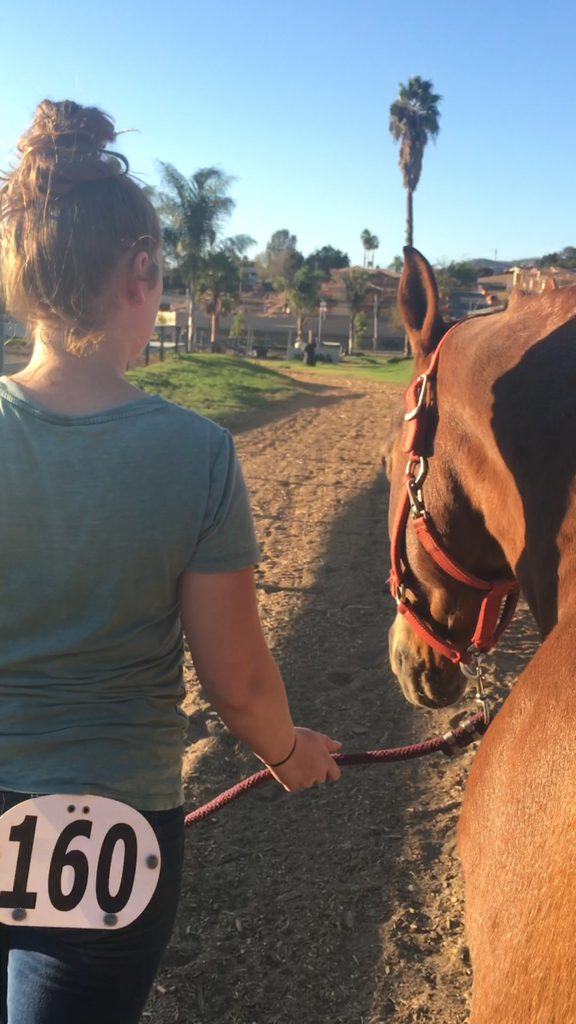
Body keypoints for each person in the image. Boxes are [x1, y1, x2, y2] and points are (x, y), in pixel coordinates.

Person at [0, 100, 340, 1024]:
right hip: (111, 834)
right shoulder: (195, 455)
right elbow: (237, 683)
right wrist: (288, 753)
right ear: (145, 274)